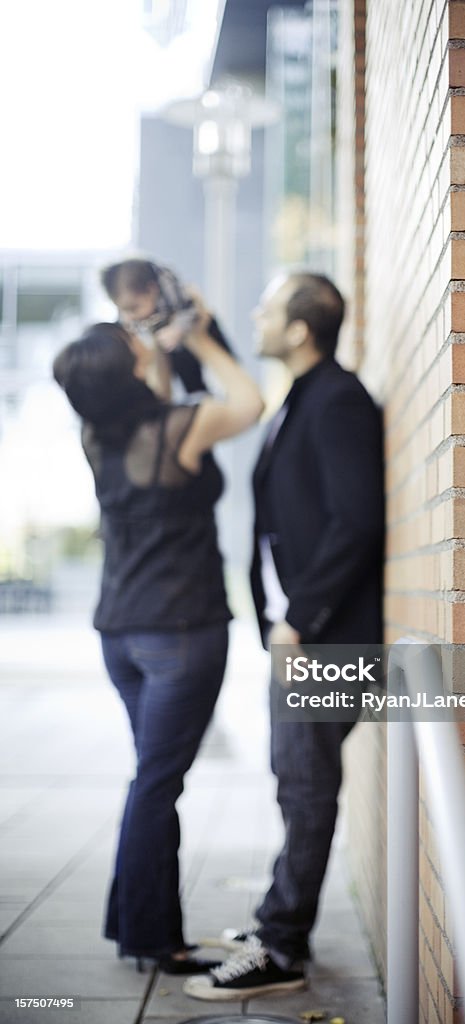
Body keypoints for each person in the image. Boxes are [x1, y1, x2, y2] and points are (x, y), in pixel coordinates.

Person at [184, 271, 384, 1002]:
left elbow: (357, 520)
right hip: (301, 635)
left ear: (300, 329)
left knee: (306, 790)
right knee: (293, 783)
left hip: (324, 638)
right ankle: (277, 918)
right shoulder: (304, 396)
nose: (256, 315)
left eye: (267, 308)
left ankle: (282, 946)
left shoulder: (336, 399)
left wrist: (299, 615)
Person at [52, 307, 264, 973]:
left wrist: (151, 349)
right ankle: (149, 935)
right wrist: (198, 336)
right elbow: (250, 401)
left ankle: (141, 926)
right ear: (131, 368)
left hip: (120, 633)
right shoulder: (180, 428)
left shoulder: (97, 433)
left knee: (153, 779)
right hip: (180, 632)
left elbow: (156, 401)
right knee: (156, 783)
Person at [101, 257, 234, 395]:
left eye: (134, 308)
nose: (130, 316)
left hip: (197, 327)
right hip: (174, 345)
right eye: (123, 310)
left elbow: (190, 310)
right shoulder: (132, 312)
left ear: (152, 290)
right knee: (192, 381)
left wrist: (177, 329)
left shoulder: (170, 289)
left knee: (228, 363)